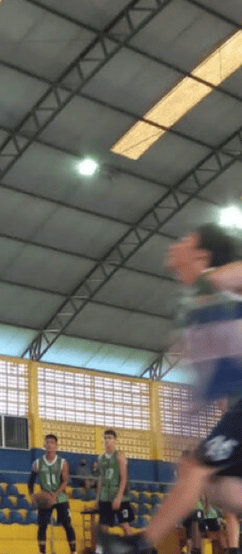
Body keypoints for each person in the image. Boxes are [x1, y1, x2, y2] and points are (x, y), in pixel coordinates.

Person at [98, 225, 242, 554]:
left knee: (197, 468)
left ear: (201, 255)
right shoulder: (195, 306)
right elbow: (215, 373)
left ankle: (139, 545)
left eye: (184, 240)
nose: (174, 246)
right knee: (222, 487)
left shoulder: (220, 282)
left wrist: (213, 280)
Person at [28, 434, 77, 554]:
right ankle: (42, 552)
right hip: (45, 498)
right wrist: (32, 494)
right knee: (42, 525)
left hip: (60, 497)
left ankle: (73, 551)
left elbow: (65, 482)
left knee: (67, 524)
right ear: (44, 445)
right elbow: (31, 480)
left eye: (52, 442)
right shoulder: (38, 463)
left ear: (56, 445)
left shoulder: (62, 462)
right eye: (47, 442)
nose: (49, 445)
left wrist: (55, 495)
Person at [96, 429, 134, 538]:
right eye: (105, 438)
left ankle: (131, 547)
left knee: (125, 525)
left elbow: (124, 478)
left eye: (110, 438)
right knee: (104, 527)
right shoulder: (101, 458)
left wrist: (119, 497)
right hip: (105, 497)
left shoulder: (119, 455)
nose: (107, 440)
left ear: (114, 441)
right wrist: (98, 498)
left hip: (119, 496)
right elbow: (101, 479)